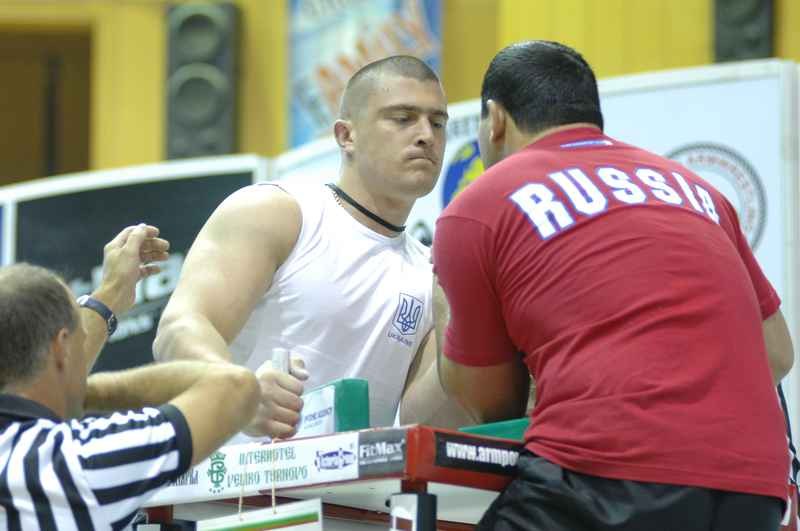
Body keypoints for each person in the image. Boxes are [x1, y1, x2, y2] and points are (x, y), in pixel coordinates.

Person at [432, 41, 794, 531]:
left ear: (494, 120)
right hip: (756, 489)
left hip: (606, 474)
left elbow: (491, 405)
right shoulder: (697, 188)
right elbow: (776, 352)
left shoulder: (479, 204)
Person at [154, 55, 469, 440]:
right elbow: (177, 330)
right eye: (402, 118)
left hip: (356, 498)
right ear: (345, 135)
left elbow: (419, 420)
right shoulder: (278, 212)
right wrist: (238, 393)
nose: (426, 135)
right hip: (230, 495)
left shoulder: (431, 272)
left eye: (437, 122)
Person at [0, 225, 260, 529]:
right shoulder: (77, 461)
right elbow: (235, 387)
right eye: (78, 341)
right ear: (61, 349)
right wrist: (83, 392)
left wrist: (110, 292)